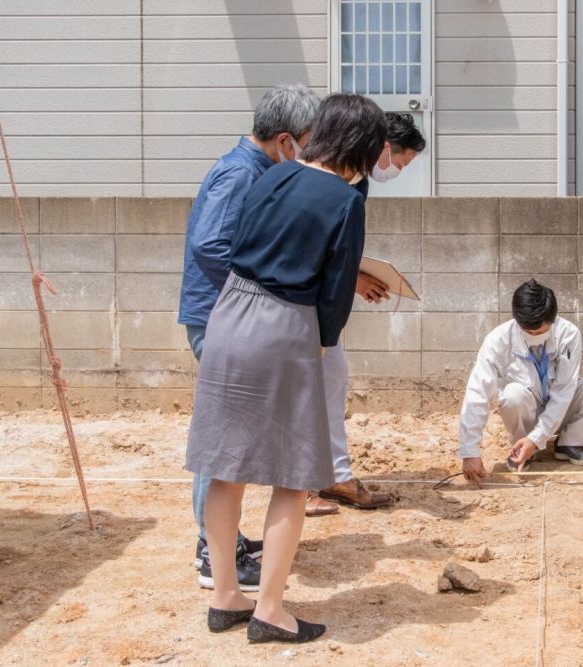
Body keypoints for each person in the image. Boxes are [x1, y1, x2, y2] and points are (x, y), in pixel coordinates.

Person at [185, 93, 387, 642]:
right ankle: (270, 609)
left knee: (226, 466)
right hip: (285, 323)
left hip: (229, 311)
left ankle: (226, 593)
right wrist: (323, 343)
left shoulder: (271, 173)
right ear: (363, 148)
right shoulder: (345, 201)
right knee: (293, 478)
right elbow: (335, 286)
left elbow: (238, 244)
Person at [178, 84, 336, 593]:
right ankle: (211, 551)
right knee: (224, 440)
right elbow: (210, 244)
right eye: (310, 141)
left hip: (233, 318)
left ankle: (225, 542)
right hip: (222, 319)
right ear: (287, 139)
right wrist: (253, 296)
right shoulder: (241, 173)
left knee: (231, 436)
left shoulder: (260, 171)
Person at [317, 112, 427, 510]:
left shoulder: (355, 185)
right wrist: (354, 279)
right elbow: (318, 250)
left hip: (323, 307)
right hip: (305, 308)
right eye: (399, 163)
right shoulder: (331, 185)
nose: (396, 171)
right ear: (383, 147)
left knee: (331, 379)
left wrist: (356, 274)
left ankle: (326, 477)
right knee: (326, 380)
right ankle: (323, 480)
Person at [458, 280, 583, 487]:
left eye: (541, 331)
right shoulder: (498, 340)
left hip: (561, 407)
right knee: (512, 395)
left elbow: (564, 391)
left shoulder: (569, 334)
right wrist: (469, 451)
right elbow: (477, 393)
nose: (535, 336)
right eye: (529, 331)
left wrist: (538, 438)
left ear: (552, 319)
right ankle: (522, 448)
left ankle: (569, 442)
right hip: (527, 410)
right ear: (517, 321)